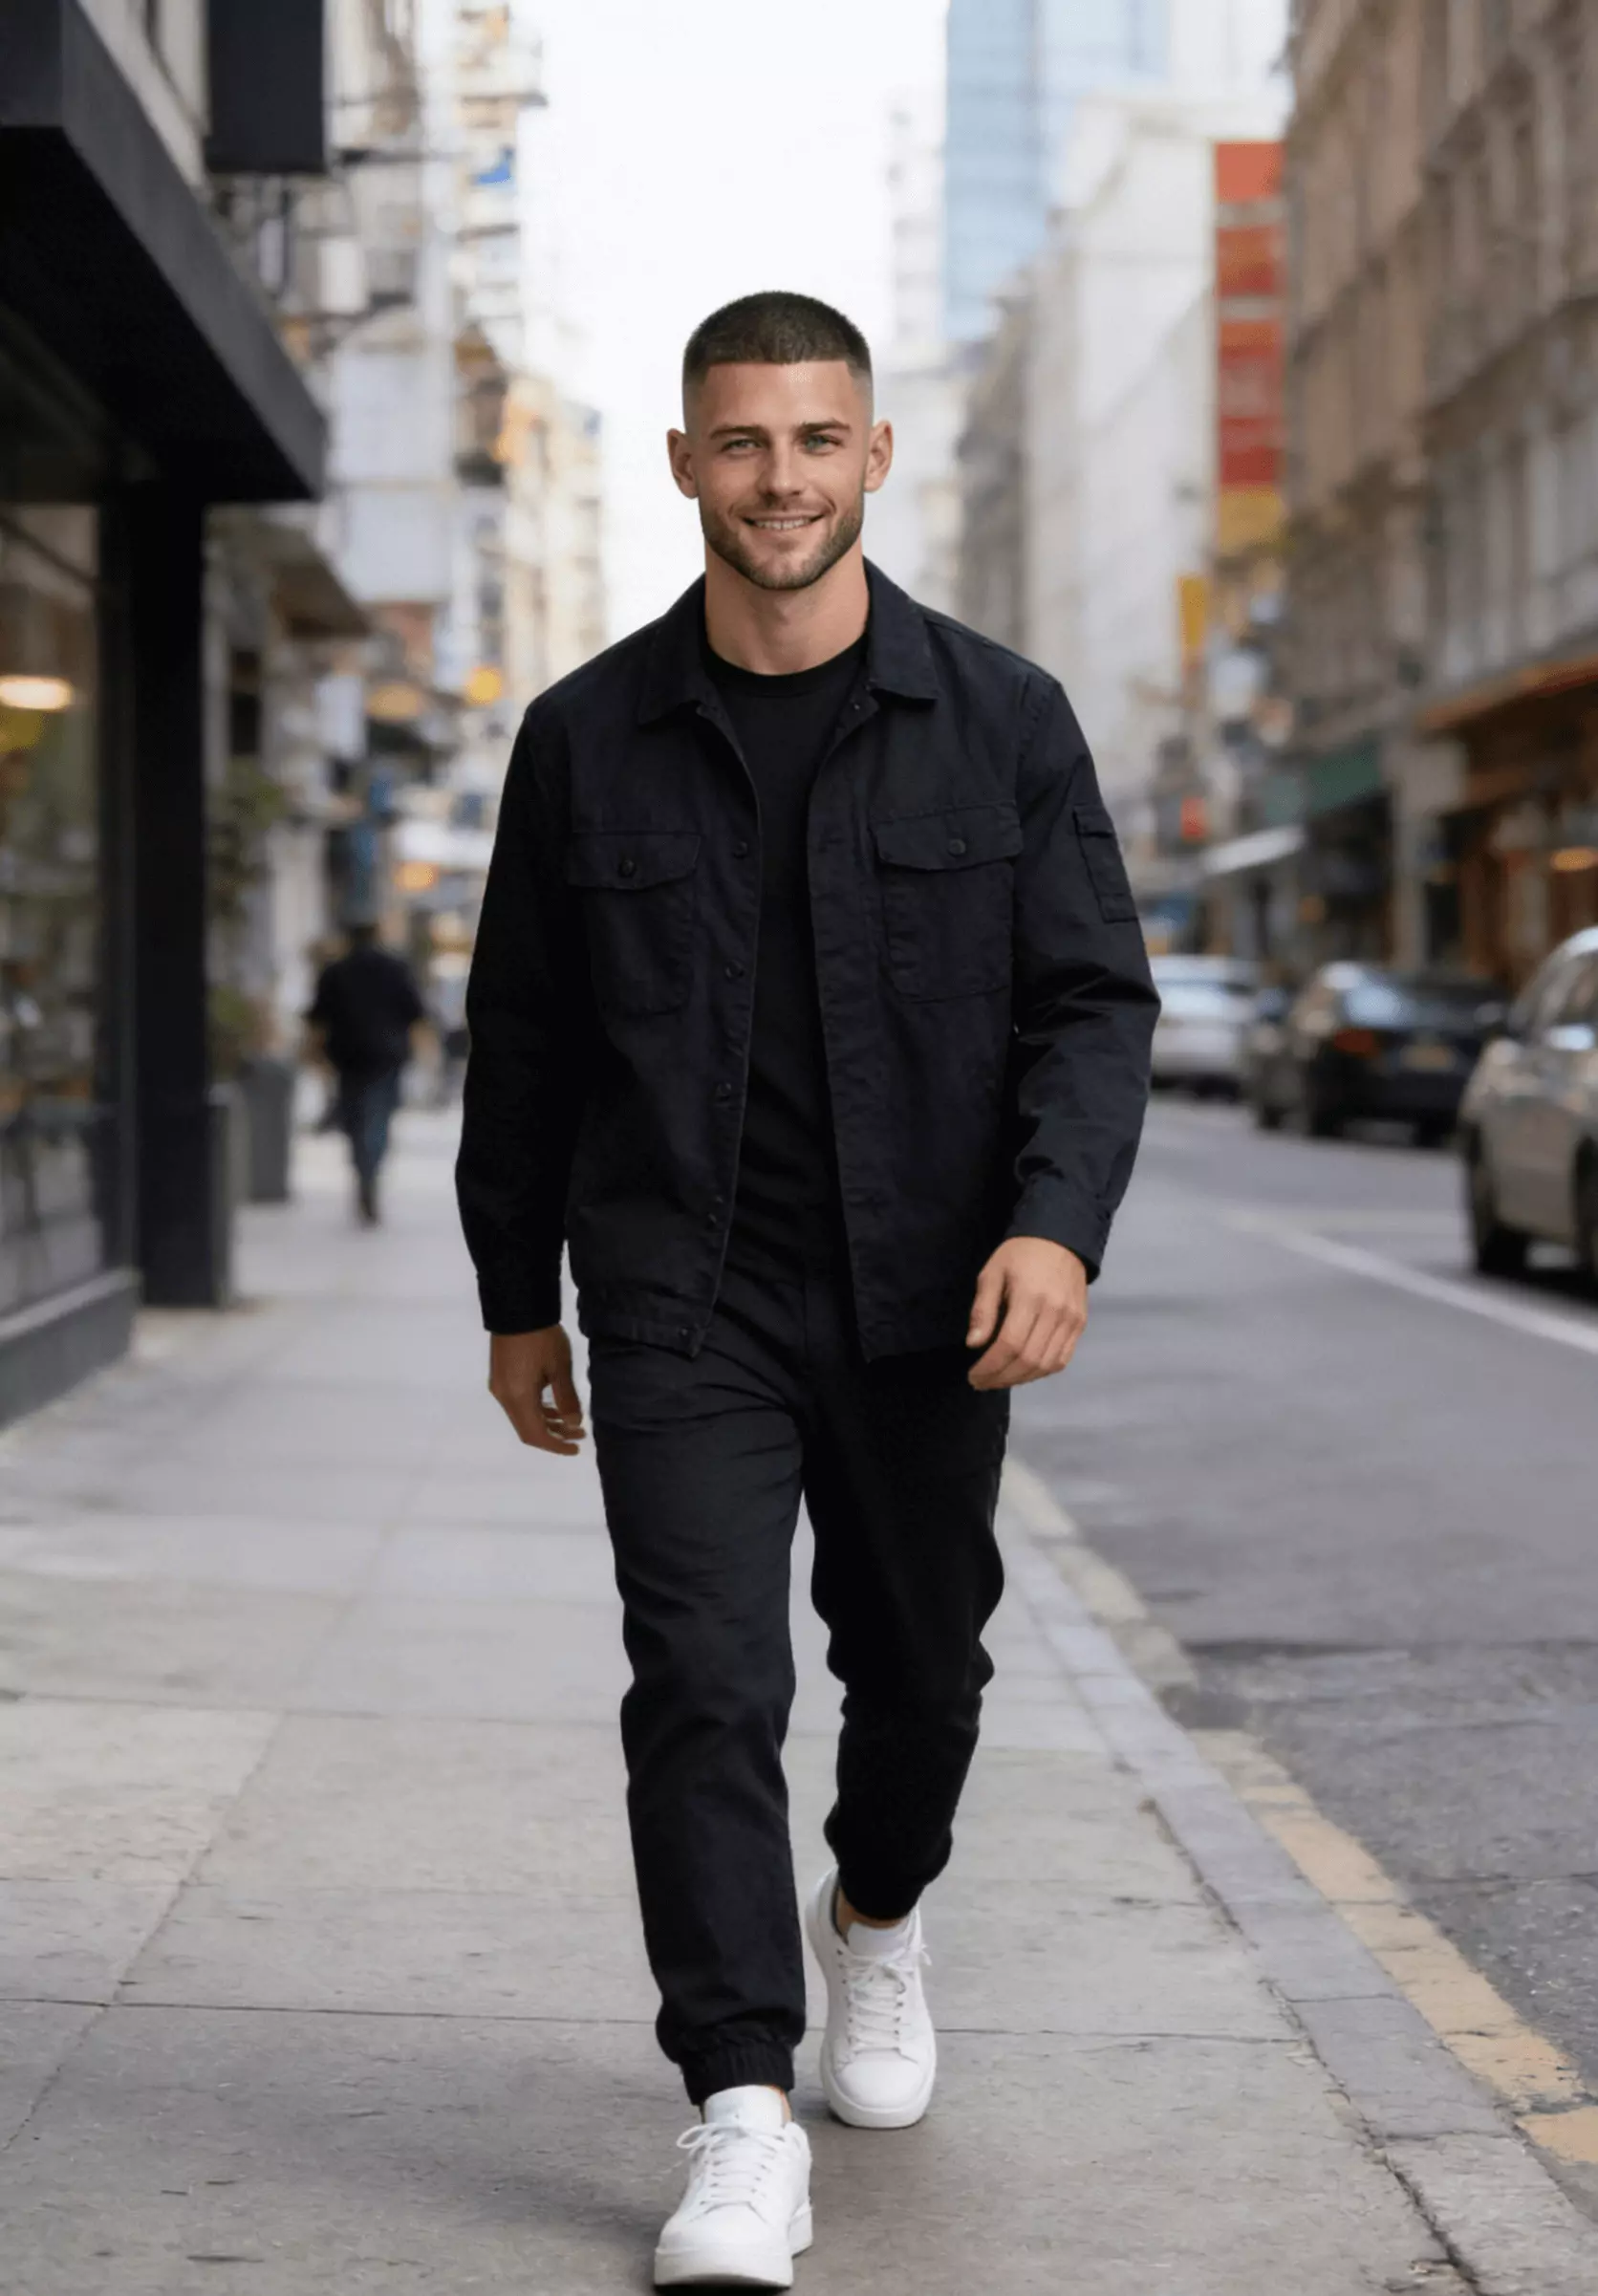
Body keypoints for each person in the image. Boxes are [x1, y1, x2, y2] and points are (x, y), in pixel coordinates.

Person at [457, 292, 1156, 2289]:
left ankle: (876, 1909)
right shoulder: (582, 736)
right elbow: (522, 1039)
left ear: (872, 455)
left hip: (934, 1287)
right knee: (703, 1674)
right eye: (740, 442)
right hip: (680, 1284)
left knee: (919, 1669)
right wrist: (519, 1293)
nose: (780, 479)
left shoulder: (1002, 716)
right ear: (682, 461)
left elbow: (1092, 1003)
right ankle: (739, 2107)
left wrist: (1053, 1223)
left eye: (815, 440)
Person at [307, 920, 424, 1225]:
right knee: (379, 1118)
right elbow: (415, 1013)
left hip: (349, 1058)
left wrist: (315, 1055)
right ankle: (371, 1172)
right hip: (386, 1057)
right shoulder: (395, 968)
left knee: (356, 1119)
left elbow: (318, 1018)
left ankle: (364, 1172)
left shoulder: (335, 972)